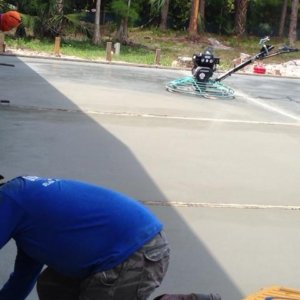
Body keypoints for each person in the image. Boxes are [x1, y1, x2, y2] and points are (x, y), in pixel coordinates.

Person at [0, 175, 170, 300]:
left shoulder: (9, 200)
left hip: (135, 252)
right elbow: (22, 279)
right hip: (123, 247)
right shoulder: (23, 207)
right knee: (53, 285)